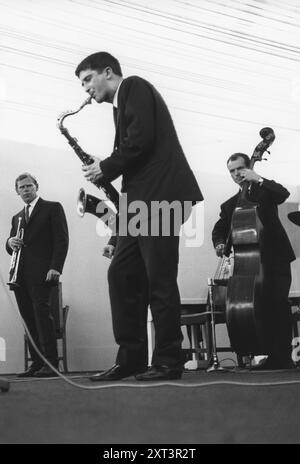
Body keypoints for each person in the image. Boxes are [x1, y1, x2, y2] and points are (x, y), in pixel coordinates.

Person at [75, 51, 203, 381]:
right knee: (122, 275)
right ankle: (131, 359)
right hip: (140, 204)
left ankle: (168, 362)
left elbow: (141, 140)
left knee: (159, 281)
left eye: (87, 79)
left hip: (159, 197)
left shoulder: (133, 86)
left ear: (107, 72)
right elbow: (136, 148)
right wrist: (108, 167)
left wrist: (104, 166)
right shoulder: (122, 105)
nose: (85, 88)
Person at [212, 153, 296, 369]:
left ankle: (283, 357)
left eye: (240, 168)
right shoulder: (230, 205)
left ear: (248, 167)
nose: (236, 174)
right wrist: (221, 243)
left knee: (278, 304)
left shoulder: (264, 191)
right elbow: (219, 228)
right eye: (232, 171)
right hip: (251, 265)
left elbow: (283, 193)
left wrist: (257, 177)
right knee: (261, 308)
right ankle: (270, 354)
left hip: (275, 259)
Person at [6, 173, 69, 377]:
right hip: (20, 277)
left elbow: (61, 240)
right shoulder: (16, 217)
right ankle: (36, 363)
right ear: (17, 191)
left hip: (43, 273)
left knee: (43, 317)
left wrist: (56, 267)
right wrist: (8, 242)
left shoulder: (52, 208)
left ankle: (50, 364)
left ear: (36, 186)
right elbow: (13, 248)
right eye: (21, 187)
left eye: (29, 186)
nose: (26, 190)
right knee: (28, 319)